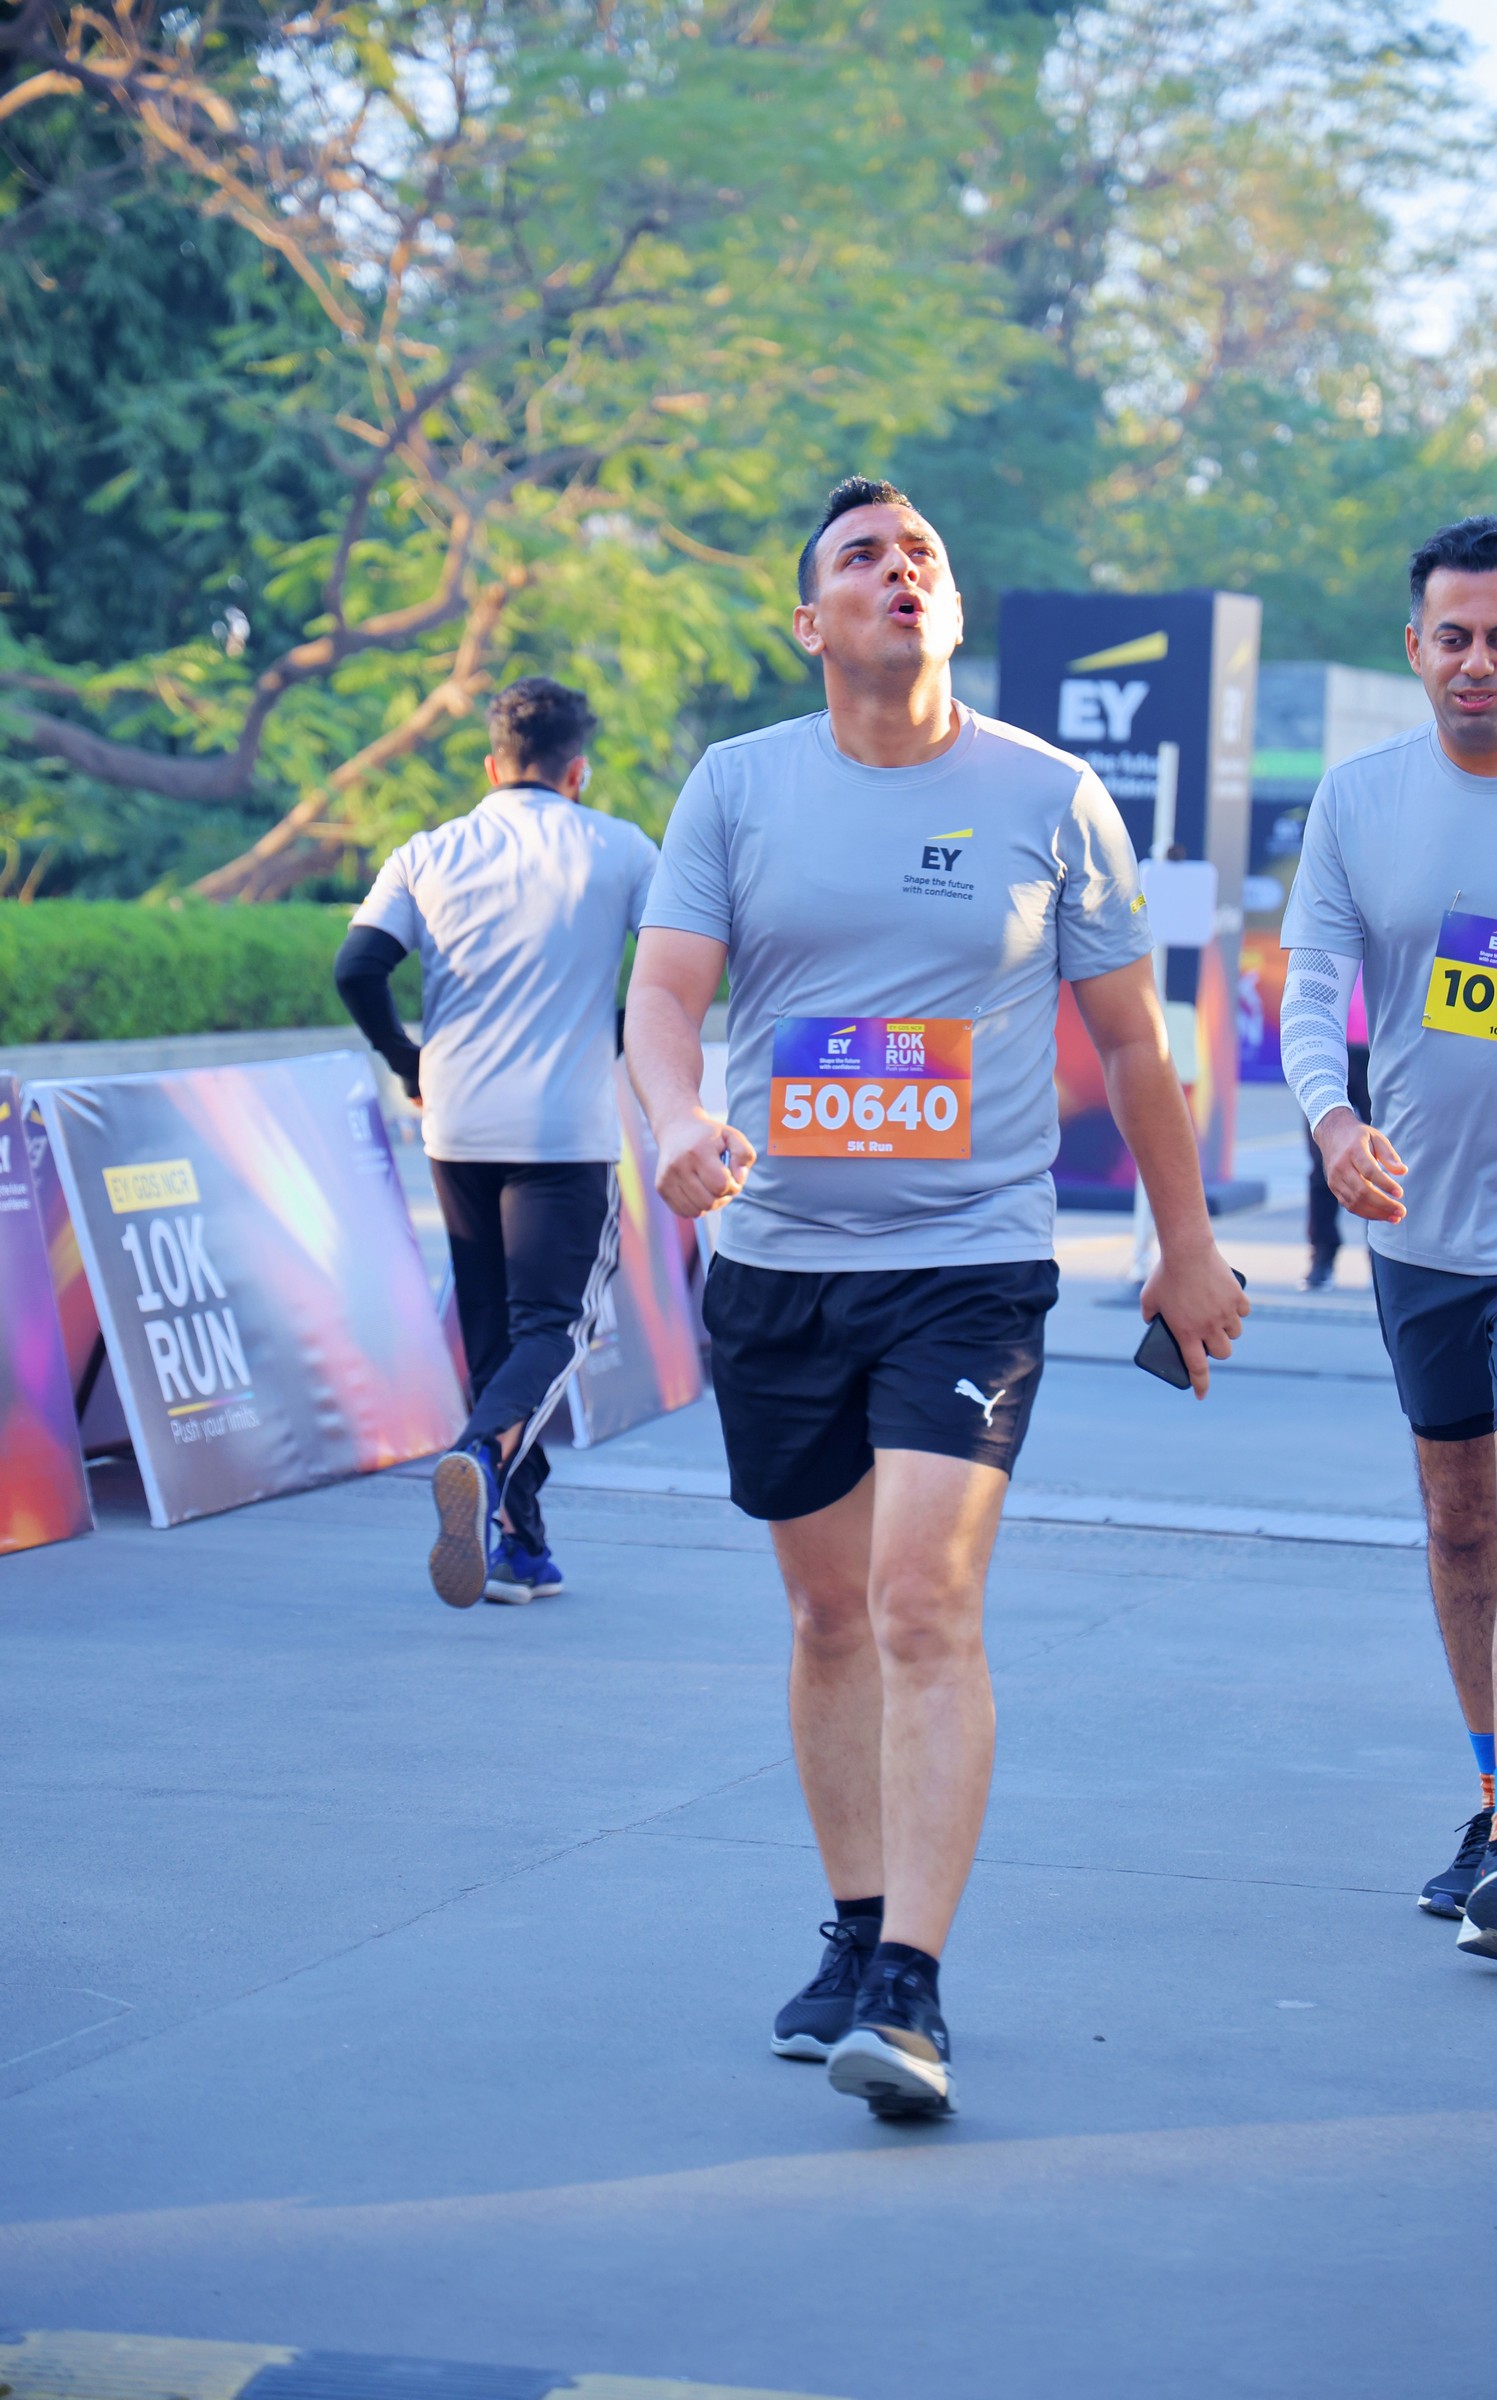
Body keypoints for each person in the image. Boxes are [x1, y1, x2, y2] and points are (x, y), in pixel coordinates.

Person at [625, 476, 1248, 2118]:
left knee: (919, 1601)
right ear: (809, 619)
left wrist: (1184, 1245)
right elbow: (664, 994)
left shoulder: (1050, 795)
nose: (897, 572)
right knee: (829, 1615)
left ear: (950, 608)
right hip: (777, 1267)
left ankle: (910, 1983)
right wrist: (675, 1118)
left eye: (922, 557)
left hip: (968, 1266)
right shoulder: (738, 785)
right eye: (861, 558)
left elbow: (1134, 1043)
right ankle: (852, 1926)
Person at [1280, 513, 1497, 1968]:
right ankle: (1488, 1800)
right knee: (1459, 1520)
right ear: (1415, 648)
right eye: (1453, 636)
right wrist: (1332, 1124)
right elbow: (1311, 989)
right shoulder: (1360, 799)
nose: (1479, 660)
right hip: (1421, 1222)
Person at [335, 675, 658, 1609]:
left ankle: (519, 1543)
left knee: (492, 1334)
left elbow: (357, 967)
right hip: (562, 1130)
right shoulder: (621, 849)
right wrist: (614, 1036)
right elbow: (682, 967)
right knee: (555, 1328)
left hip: (457, 1124)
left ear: (492, 766)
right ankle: (478, 1455)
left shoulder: (429, 851)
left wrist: (408, 1059)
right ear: (577, 771)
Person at [1302, 970, 1369, 1290]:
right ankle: (1323, 1255)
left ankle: (1383, 1257)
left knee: (1391, 1160)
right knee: (1323, 1162)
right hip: (1327, 1051)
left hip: (1381, 1049)